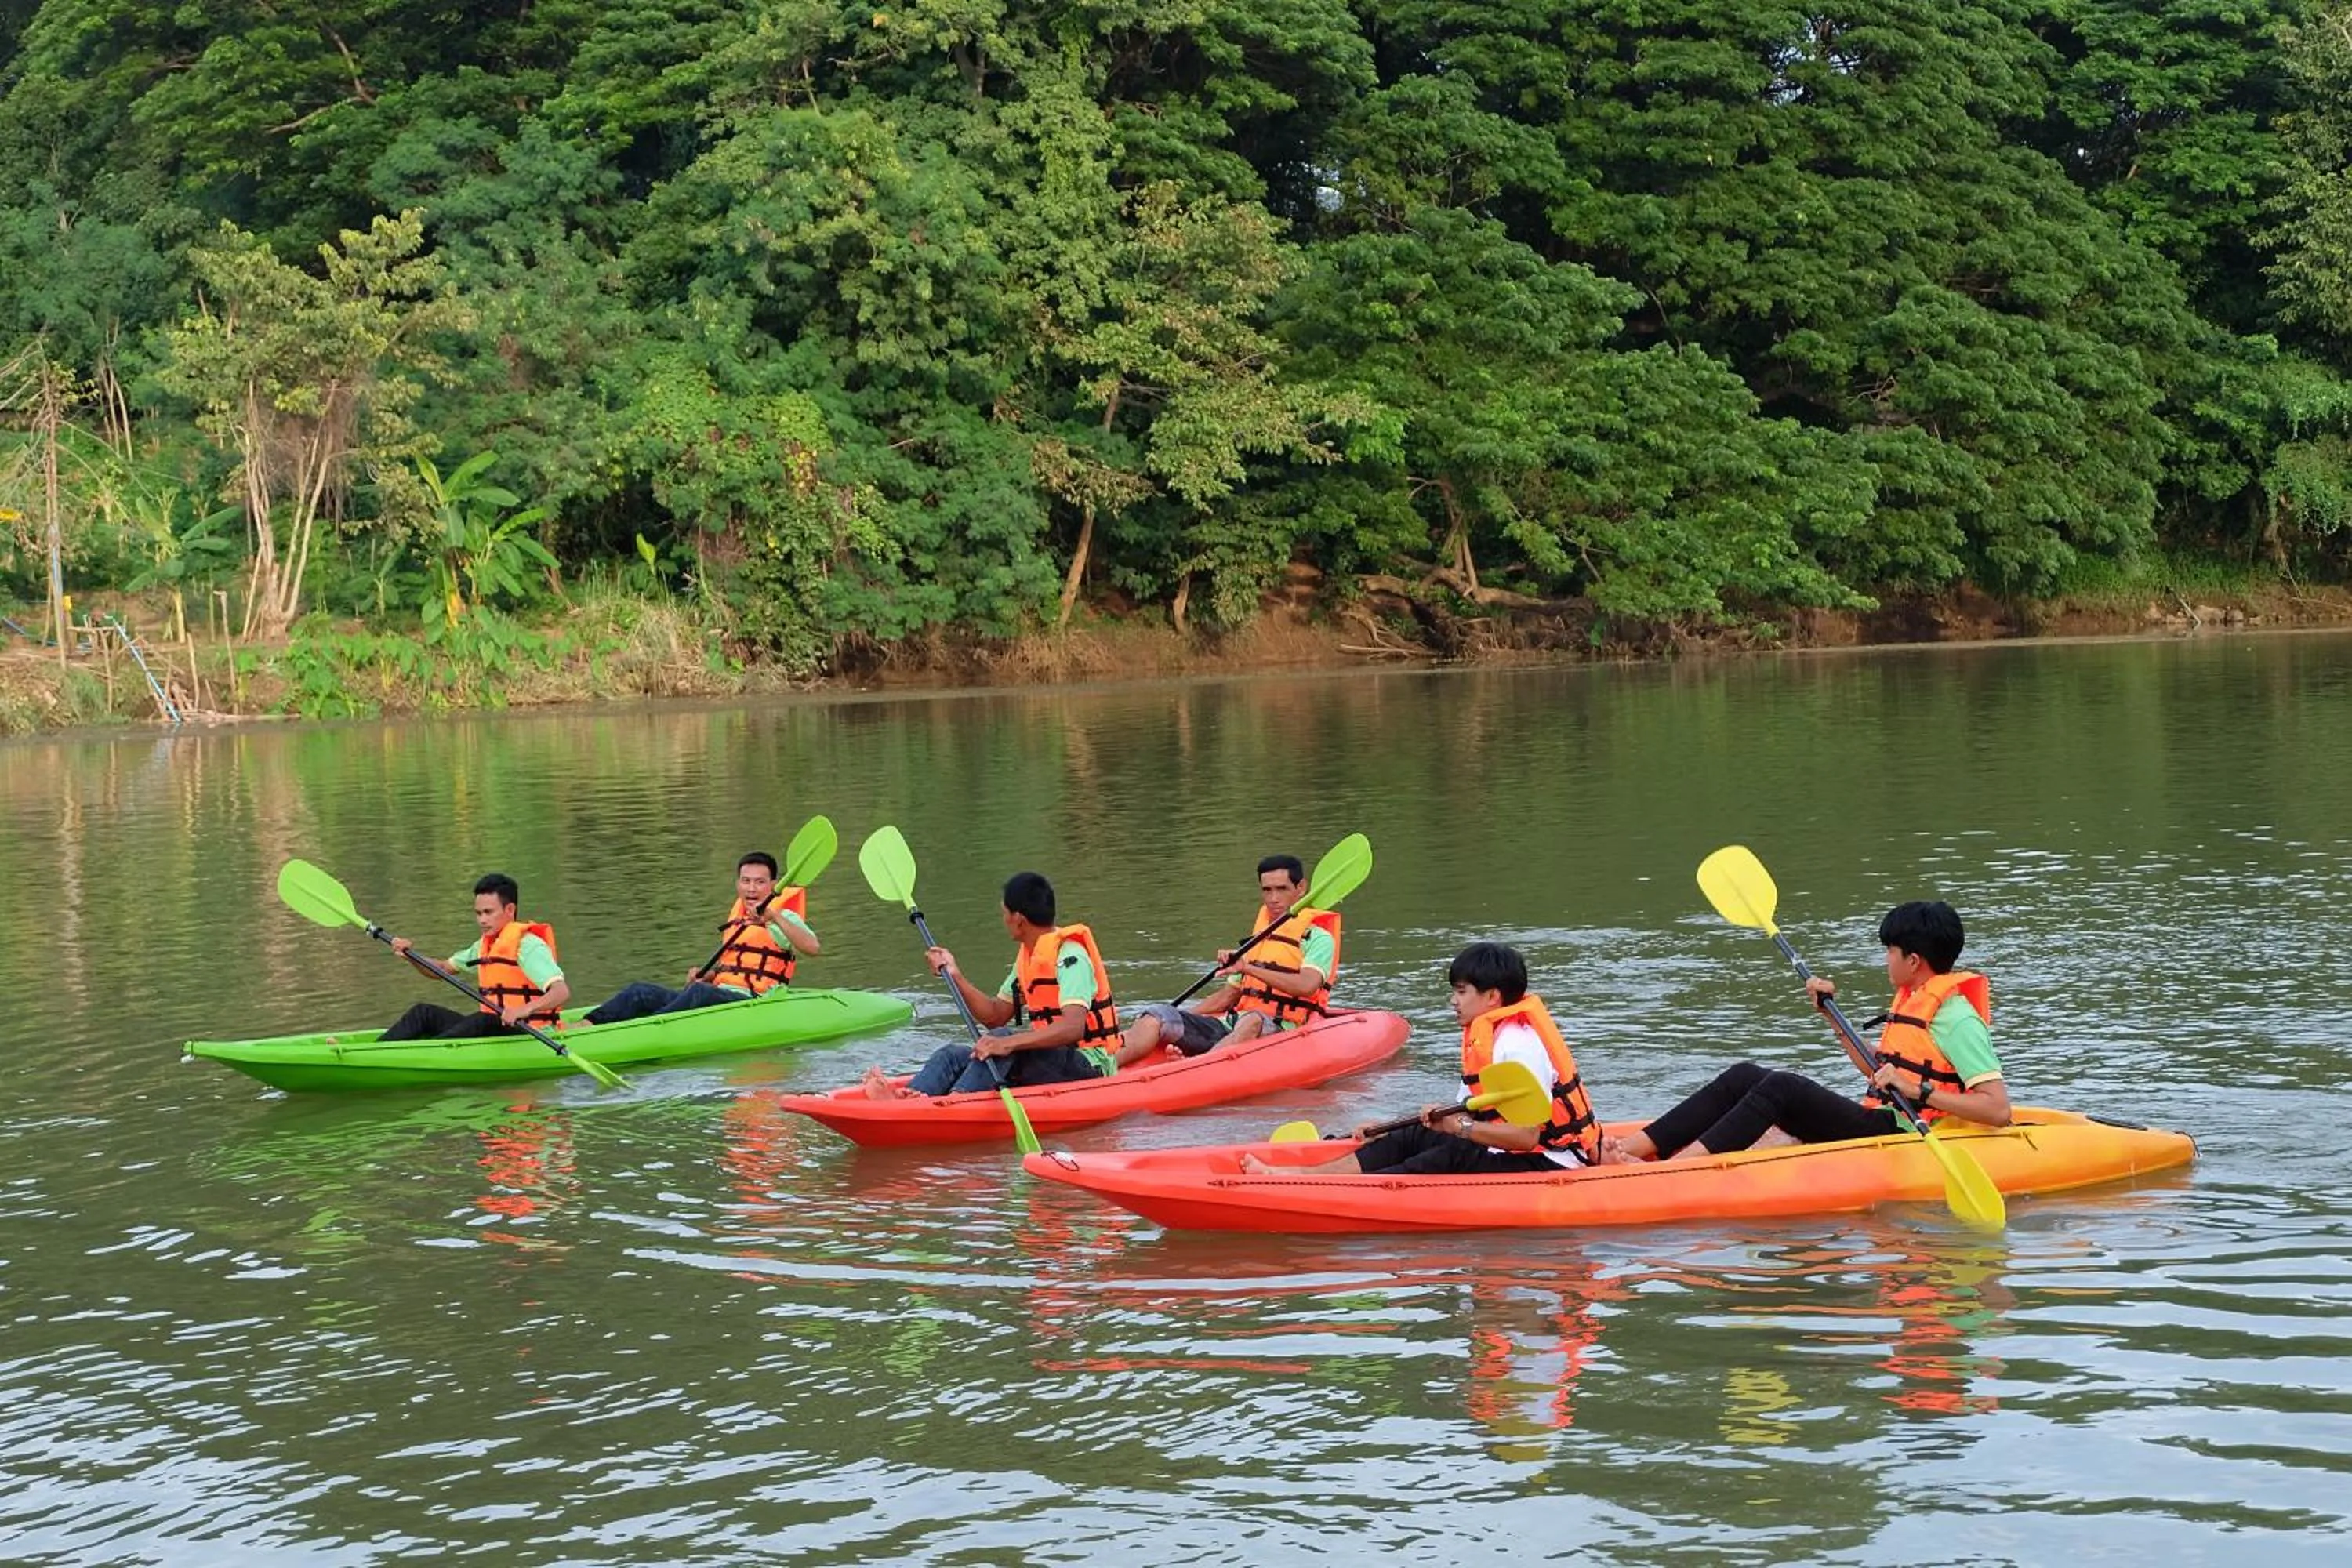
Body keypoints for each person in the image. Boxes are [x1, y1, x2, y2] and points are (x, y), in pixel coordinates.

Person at [1604, 900, 2010, 1163]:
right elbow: (1879, 1069)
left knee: (1784, 1087)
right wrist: (1832, 1018)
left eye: (1889, 951)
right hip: (1883, 1117)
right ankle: (1628, 1149)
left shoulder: (1958, 1020)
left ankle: (1676, 1169)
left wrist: (1915, 1090)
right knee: (1744, 1076)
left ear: (1914, 960)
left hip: (1906, 1133)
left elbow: (1997, 1110)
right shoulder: (1913, 998)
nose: (1885, 960)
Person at [1240, 941, 1602, 1175]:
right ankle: (1300, 1176)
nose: (1453, 1001)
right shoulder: (1487, 1038)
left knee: (1448, 1155)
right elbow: (1469, 1110)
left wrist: (1459, 1129)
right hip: (1508, 1150)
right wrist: (1391, 1127)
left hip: (1549, 1161)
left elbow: (1525, 1137)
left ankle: (1327, 1190)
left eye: (1461, 992)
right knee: (1413, 1135)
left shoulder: (1518, 1045)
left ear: (1492, 997)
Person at [861, 872, 1121, 1098]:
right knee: (952, 1055)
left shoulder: (1071, 958)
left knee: (1000, 1040)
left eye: (1004, 913)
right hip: (1047, 1058)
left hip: (1088, 1066)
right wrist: (955, 975)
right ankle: (911, 1097)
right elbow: (995, 1015)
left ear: (1019, 919)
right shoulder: (1029, 958)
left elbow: (1073, 1028)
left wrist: (1008, 1043)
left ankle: (957, 1103)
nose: (1004, 919)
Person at [1115, 854, 1341, 1066]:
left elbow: (1307, 985)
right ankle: (1106, 1067)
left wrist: (1248, 968)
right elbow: (1227, 997)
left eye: (1282, 889)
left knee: (1253, 1019)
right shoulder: (1258, 939)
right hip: (1233, 1024)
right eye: (1267, 890)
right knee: (1159, 1013)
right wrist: (1177, 1018)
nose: (1273, 899)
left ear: (1301, 888)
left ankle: (1196, 1069)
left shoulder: (1318, 938)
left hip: (1281, 1030)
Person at [583, 852, 821, 1024]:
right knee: (640, 991)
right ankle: (586, 1025)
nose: (751, 888)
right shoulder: (739, 917)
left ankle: (646, 1029)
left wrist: (773, 917)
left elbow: (812, 948)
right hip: (721, 995)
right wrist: (709, 976)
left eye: (760, 882)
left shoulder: (782, 916)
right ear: (738, 883)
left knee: (699, 992)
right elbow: (736, 968)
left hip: (753, 1001)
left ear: (773, 885)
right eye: (746, 881)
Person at [380, 873, 571, 1040]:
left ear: (510, 910)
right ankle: (381, 1050)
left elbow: (561, 992)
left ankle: (429, 1054)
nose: (482, 920)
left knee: (483, 1020)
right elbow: (443, 969)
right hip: (493, 1029)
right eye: (478, 913)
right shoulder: (483, 946)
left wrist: (524, 1010)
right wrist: (411, 956)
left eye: (488, 912)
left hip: (531, 1033)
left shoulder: (528, 946)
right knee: (424, 1013)